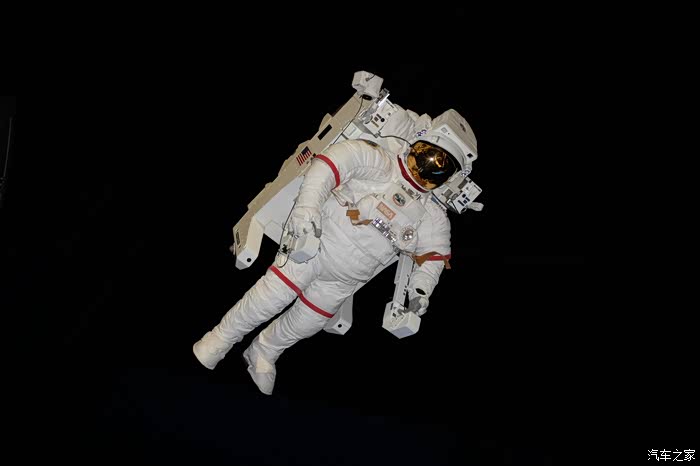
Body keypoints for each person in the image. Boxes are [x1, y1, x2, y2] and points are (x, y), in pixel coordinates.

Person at [193, 109, 479, 395]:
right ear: (418, 142)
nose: (430, 167)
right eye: (429, 155)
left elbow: (434, 258)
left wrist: (420, 291)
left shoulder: (432, 216)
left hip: (344, 280)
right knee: (268, 298)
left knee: (306, 323)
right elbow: (328, 166)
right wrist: (306, 209)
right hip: (316, 246)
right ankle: (219, 340)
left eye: (441, 168)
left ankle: (263, 353)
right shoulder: (380, 161)